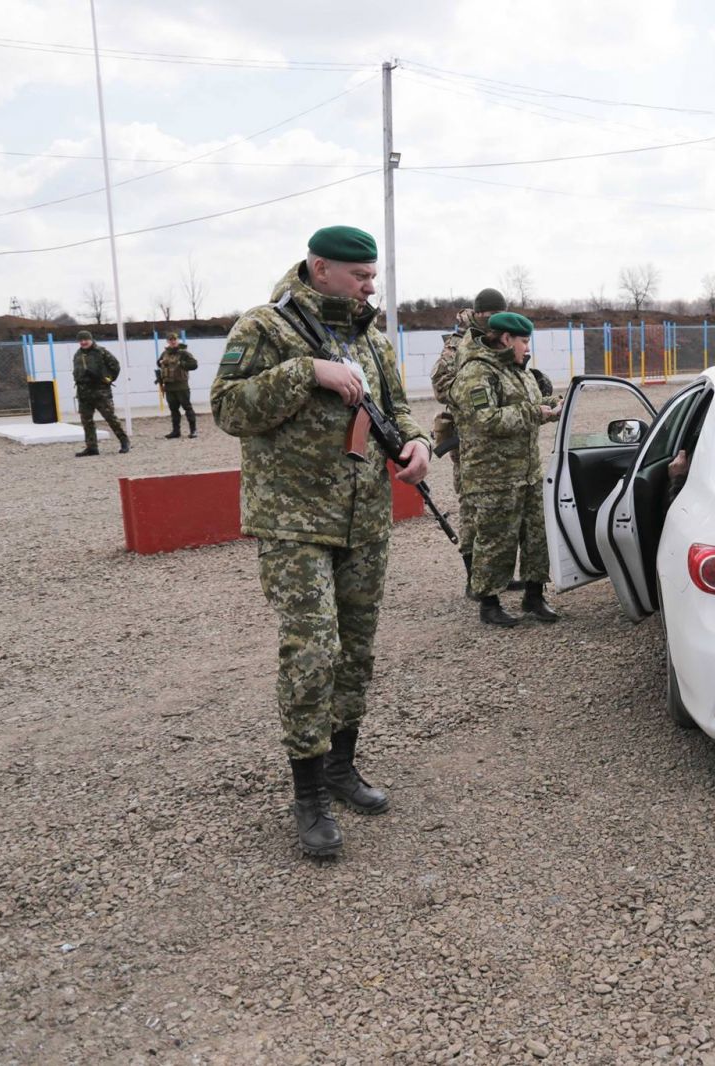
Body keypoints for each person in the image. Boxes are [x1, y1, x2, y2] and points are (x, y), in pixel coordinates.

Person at [211, 225, 431, 859]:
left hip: (365, 518)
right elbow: (228, 410)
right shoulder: (265, 328)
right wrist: (305, 372)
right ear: (320, 267)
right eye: (359, 275)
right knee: (313, 648)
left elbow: (399, 408)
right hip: (294, 519)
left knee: (356, 647)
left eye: (373, 276)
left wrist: (414, 443)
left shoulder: (374, 338)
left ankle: (341, 765)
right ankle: (308, 792)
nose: (370, 285)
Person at [447, 312, 560, 627]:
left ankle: (534, 596)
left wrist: (553, 405)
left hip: (527, 472)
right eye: (524, 341)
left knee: (536, 537)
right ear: (507, 339)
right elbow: (485, 420)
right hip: (492, 476)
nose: (527, 348)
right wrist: (535, 412)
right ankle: (489, 603)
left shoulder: (518, 371)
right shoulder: (477, 373)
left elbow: (531, 404)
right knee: (495, 540)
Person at [431, 288, 508, 592]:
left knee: (501, 505)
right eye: (486, 317)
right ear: (477, 315)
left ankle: (496, 573)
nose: (492, 322)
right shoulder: (458, 344)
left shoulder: (503, 338)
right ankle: (473, 577)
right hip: (468, 436)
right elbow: (441, 386)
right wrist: (476, 395)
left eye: (497, 316)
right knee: (472, 505)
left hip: (498, 433)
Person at [72, 330, 130, 457]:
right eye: (80, 340)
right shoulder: (77, 354)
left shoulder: (101, 352)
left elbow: (115, 366)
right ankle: (91, 447)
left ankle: (124, 441)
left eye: (85, 339)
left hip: (100, 392)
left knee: (111, 418)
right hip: (83, 393)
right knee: (86, 421)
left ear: (91, 339)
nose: (83, 342)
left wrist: (107, 379)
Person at [156, 333, 200, 438]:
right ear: (167, 341)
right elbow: (158, 363)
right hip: (169, 386)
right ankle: (176, 431)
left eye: (174, 339)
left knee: (187, 408)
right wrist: (161, 362)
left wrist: (182, 364)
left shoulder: (184, 353)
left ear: (177, 340)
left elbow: (194, 365)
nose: (173, 341)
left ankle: (193, 430)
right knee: (173, 409)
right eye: (170, 339)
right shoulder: (165, 353)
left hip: (181, 385)